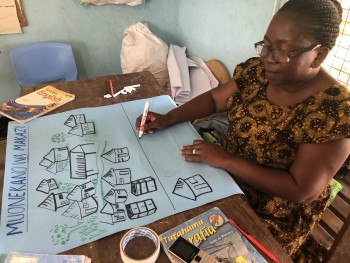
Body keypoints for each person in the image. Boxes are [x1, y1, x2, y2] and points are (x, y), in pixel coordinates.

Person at [136, 0, 350, 262]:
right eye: (265, 45)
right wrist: (169, 118)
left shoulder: (334, 110)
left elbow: (302, 189)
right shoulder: (257, 72)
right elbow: (216, 100)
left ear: (318, 55)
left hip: (274, 213)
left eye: (281, 52)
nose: (267, 58)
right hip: (227, 178)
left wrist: (225, 159)